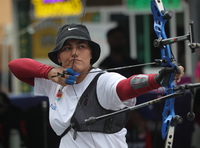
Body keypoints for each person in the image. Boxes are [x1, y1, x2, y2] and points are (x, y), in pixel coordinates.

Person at [8, 23, 184, 148]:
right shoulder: (53, 83)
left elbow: (125, 87)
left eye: (81, 46)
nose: (75, 52)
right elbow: (15, 66)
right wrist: (48, 72)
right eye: (67, 48)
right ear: (59, 57)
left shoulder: (103, 81)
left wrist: (156, 79)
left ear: (91, 54)